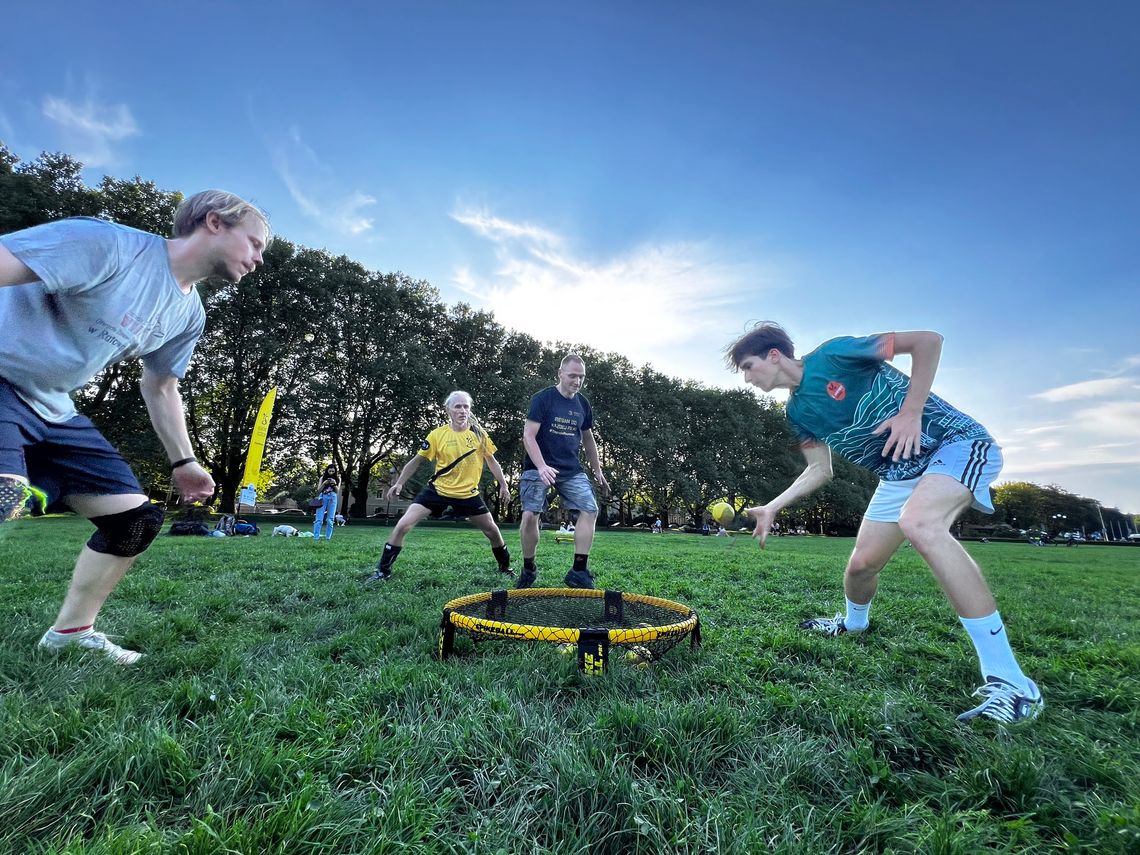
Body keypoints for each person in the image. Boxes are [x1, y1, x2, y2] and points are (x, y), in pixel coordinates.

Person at [0, 190, 269, 663]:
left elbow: (161, 386)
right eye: (254, 243)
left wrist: (184, 461)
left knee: (134, 520)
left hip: (52, 408)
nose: (258, 258)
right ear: (214, 222)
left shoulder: (188, 314)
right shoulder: (108, 245)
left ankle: (70, 633)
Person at [725, 323, 1043, 724]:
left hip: (955, 443)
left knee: (921, 523)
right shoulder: (797, 412)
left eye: (749, 367)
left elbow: (927, 341)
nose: (748, 378)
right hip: (899, 476)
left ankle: (1012, 683)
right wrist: (772, 506)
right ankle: (854, 626)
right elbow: (819, 471)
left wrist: (911, 413)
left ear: (775, 355)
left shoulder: (835, 353)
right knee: (860, 567)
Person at [365, 391, 512, 581]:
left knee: (492, 531)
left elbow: (492, 461)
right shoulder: (437, 435)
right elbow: (416, 460)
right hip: (438, 490)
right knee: (402, 526)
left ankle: (505, 567)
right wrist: (399, 483)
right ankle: (382, 571)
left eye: (466, 406)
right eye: (457, 406)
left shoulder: (479, 434)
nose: (462, 411)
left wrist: (503, 485)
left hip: (468, 494)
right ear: (448, 410)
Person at [518, 353, 610, 589]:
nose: (577, 381)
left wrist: (597, 470)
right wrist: (541, 466)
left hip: (570, 469)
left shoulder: (583, 404)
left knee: (590, 509)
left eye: (581, 377)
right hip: (537, 467)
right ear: (560, 373)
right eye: (572, 376)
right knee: (530, 516)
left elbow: (589, 440)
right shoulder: (543, 399)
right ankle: (529, 568)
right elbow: (528, 436)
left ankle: (579, 571)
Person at [312, 463, 339, 541]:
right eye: (330, 471)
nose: (331, 473)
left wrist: (334, 484)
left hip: (333, 498)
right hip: (323, 497)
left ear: (335, 472)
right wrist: (324, 483)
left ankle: (328, 538)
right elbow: (318, 490)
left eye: (333, 471)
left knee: (330, 519)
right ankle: (316, 538)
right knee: (319, 519)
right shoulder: (322, 478)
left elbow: (337, 491)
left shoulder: (338, 478)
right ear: (327, 470)